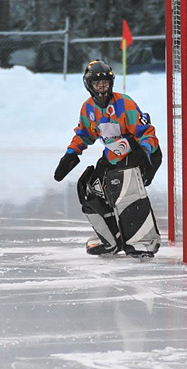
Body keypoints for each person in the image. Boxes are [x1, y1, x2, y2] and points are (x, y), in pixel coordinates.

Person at [54, 59, 163, 258]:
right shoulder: (88, 108)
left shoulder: (124, 103)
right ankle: (111, 240)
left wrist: (144, 152)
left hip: (141, 154)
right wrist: (71, 153)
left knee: (124, 189)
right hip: (113, 155)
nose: (102, 87)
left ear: (111, 83)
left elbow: (147, 133)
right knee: (89, 189)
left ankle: (143, 242)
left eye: (105, 83)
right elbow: (84, 134)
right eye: (97, 84)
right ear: (89, 85)